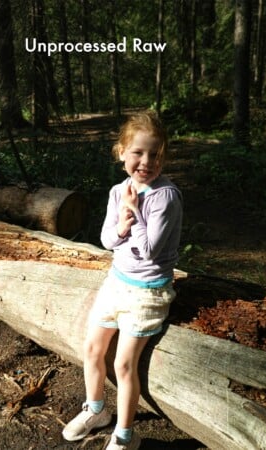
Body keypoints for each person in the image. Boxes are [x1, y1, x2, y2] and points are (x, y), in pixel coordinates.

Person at [62, 111, 183, 450]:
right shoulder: (119, 191)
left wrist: (135, 214)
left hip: (148, 292)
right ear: (121, 153)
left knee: (123, 363)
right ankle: (96, 410)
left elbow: (149, 253)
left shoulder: (165, 196)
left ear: (164, 156)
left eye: (155, 154)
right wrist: (122, 223)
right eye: (138, 153)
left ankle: (125, 435)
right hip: (116, 283)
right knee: (92, 348)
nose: (146, 161)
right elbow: (106, 240)